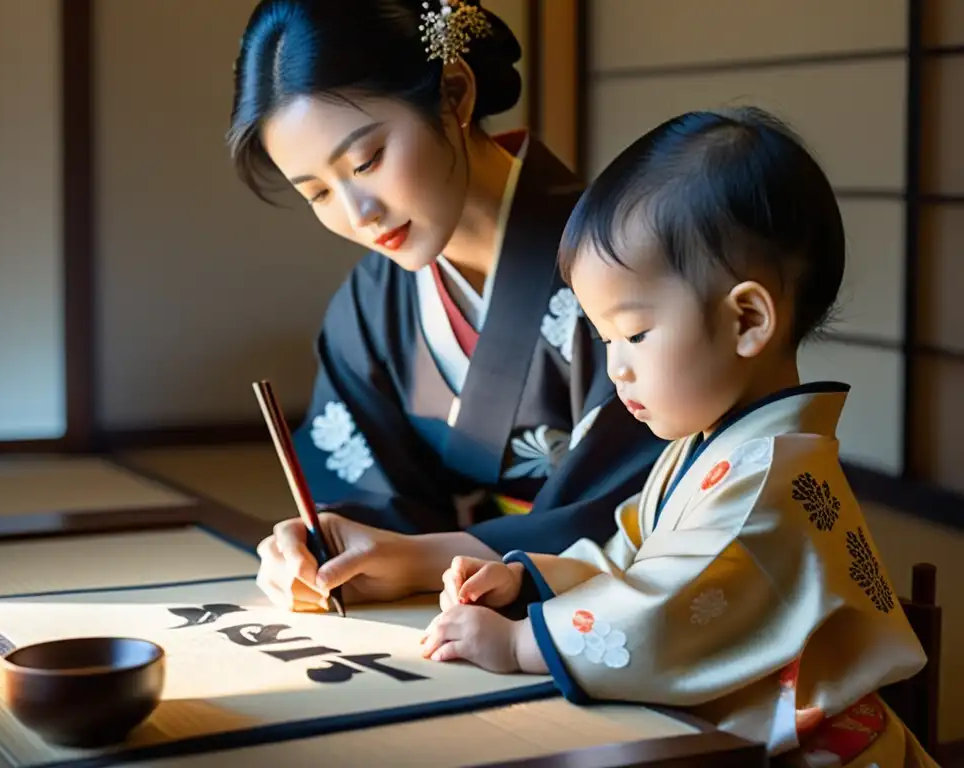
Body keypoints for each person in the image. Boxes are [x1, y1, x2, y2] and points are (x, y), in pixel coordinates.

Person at [420, 107, 937, 767]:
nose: (616, 366)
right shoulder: (709, 453)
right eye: (606, 339)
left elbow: (661, 615)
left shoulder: (763, 483)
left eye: (634, 333)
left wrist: (522, 645)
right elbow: (630, 562)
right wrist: (528, 583)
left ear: (747, 319)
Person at [228, 0, 665, 611]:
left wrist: (420, 560)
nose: (360, 214)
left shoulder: (626, 260)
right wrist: (324, 542)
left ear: (454, 94)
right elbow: (366, 495)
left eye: (367, 161)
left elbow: (639, 509)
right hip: (457, 614)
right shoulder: (368, 307)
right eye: (320, 192)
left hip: (606, 609)